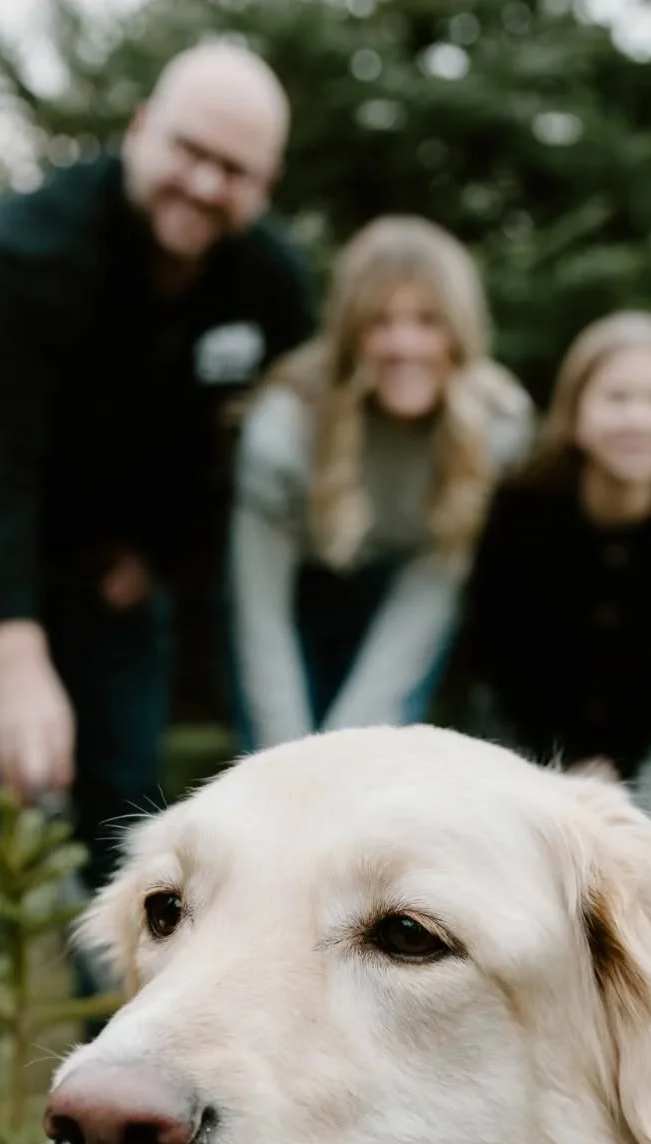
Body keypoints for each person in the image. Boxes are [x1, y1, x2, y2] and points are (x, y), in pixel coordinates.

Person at [0, 42, 313, 1055]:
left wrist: (160, 552)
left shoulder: (270, 287)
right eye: (189, 150)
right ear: (144, 127)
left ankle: (129, 1029)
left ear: (264, 185)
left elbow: (242, 450)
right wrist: (15, 651)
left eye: (234, 172)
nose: (205, 183)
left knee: (124, 777)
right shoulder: (22, 256)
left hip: (110, 550)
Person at [227, 216, 532, 748]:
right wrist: (287, 762)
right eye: (380, 322)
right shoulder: (283, 430)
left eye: (426, 321)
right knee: (275, 769)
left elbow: (430, 593)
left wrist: (352, 749)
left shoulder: (499, 426)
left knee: (373, 766)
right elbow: (262, 620)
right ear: (349, 332)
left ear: (459, 332)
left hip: (404, 597)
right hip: (297, 595)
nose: (403, 345)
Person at [456, 311, 651, 834]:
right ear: (575, 415)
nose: (638, 418)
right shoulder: (521, 512)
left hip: (643, 735)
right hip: (523, 723)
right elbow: (502, 647)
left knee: (641, 866)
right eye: (616, 398)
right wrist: (563, 760)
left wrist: (615, 763)